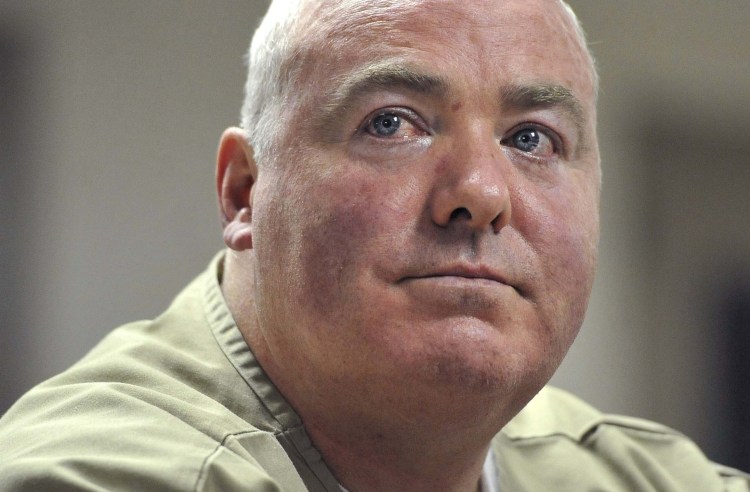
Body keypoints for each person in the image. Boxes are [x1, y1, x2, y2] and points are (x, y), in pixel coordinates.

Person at [0, 0, 747, 490]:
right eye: (393, 123)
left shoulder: (637, 475)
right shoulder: (102, 474)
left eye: (532, 138)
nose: (481, 193)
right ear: (243, 193)